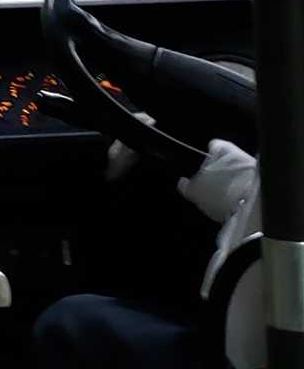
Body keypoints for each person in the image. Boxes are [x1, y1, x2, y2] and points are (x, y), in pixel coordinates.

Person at [33, 140, 264, 368]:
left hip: (236, 353)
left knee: (67, 321)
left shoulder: (283, 129)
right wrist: (243, 187)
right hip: (252, 342)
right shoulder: (284, 142)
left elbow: (237, 321)